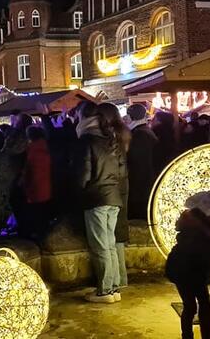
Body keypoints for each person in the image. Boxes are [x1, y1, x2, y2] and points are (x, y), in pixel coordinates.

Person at [165, 191, 210, 339]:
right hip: (184, 273)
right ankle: (188, 336)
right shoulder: (197, 232)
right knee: (190, 307)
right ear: (209, 213)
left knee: (204, 305)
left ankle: (206, 335)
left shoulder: (205, 228)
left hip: (196, 273)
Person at [75, 102, 125, 304]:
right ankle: (113, 288)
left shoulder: (87, 140)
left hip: (96, 197)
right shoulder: (111, 139)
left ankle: (104, 291)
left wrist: (79, 189)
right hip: (113, 196)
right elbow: (120, 171)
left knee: (100, 246)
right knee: (110, 244)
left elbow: (83, 173)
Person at [98, 102, 130, 293]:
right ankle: (120, 279)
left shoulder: (111, 137)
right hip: (120, 188)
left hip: (113, 189)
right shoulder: (123, 133)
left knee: (110, 238)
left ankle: (115, 282)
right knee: (115, 236)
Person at [126, 104, 160, 220]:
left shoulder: (140, 134)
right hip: (146, 177)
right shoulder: (145, 130)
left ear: (130, 117)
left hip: (141, 180)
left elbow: (136, 159)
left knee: (140, 211)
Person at [20, 125, 52, 240]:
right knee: (44, 216)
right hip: (48, 187)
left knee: (36, 215)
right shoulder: (47, 147)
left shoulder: (30, 150)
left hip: (34, 189)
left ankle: (37, 238)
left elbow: (28, 171)